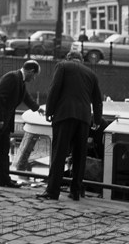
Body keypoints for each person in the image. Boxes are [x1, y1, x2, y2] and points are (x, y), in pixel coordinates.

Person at [38, 51, 103, 201]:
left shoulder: (62, 66)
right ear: (81, 60)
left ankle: (53, 191)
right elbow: (97, 100)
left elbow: (55, 89)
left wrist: (50, 110)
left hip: (65, 115)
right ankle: (76, 191)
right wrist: (97, 120)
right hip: (84, 119)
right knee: (80, 156)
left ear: (68, 58)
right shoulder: (91, 74)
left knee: (59, 153)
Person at [0, 60, 44, 191]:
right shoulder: (12, 77)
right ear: (31, 71)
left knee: (3, 152)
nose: (34, 78)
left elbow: (25, 97)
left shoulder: (20, 81)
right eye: (34, 75)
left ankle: (4, 180)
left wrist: (37, 108)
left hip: (4, 122)